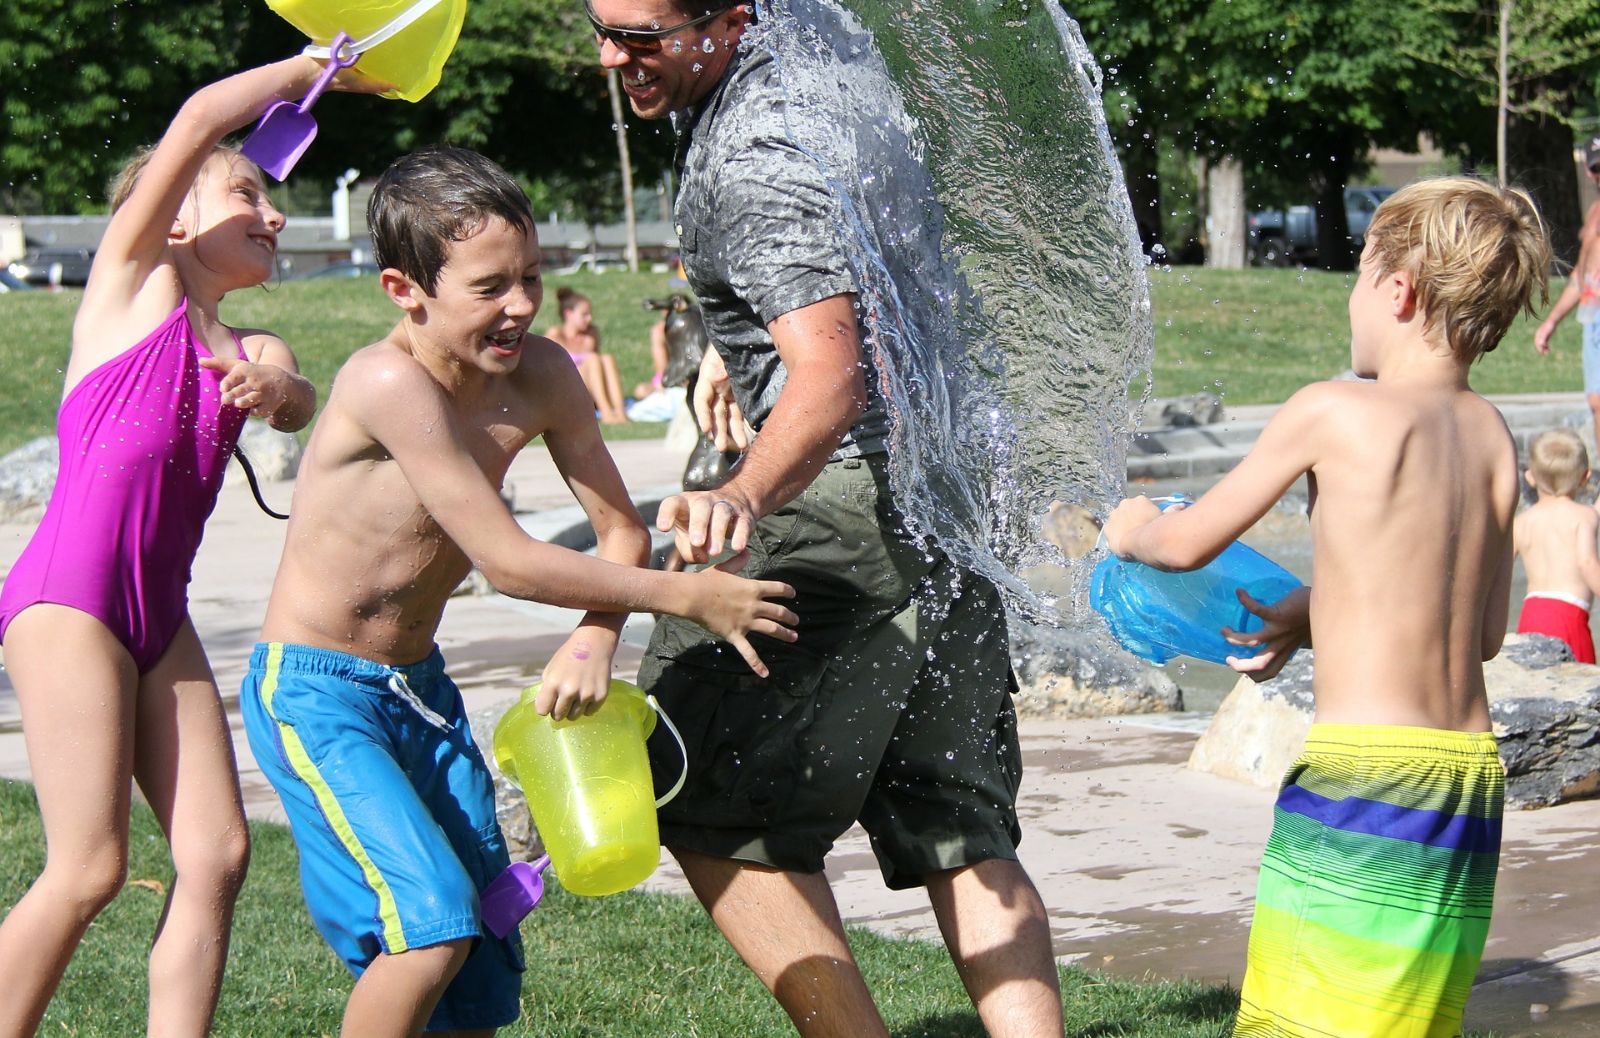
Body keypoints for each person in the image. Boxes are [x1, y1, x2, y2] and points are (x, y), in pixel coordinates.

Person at [238, 145, 798, 1037]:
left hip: (417, 692)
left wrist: (596, 635)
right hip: (316, 691)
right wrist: (685, 596)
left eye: (532, 277)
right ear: (403, 289)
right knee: (428, 926)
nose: (522, 306)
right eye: (490, 287)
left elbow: (620, 524)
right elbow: (506, 561)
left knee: (485, 938)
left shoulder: (542, 374)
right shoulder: (387, 382)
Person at [585, 3, 1064, 1036]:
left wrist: (740, 491)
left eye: (640, 34)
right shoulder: (830, 68)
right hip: (947, 495)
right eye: (599, 26)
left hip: (832, 501)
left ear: (730, 18)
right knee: (954, 812)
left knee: (693, 789)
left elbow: (831, 374)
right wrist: (733, 341)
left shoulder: (752, 159)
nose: (613, 55)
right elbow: (856, 276)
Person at [1103, 176, 1552, 1037]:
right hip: (1465, 783)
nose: (1350, 301)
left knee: (1305, 1018)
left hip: (1365, 779)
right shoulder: (1494, 437)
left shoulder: (1335, 410)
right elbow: (1484, 631)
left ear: (1400, 290)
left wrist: (1132, 531)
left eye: (1355, 276)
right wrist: (1319, 607)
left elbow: (1188, 542)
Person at [0, 57, 379, 1035]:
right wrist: (319, 69)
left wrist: (275, 395)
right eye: (247, 191)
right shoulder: (130, 287)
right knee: (89, 868)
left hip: (156, 617)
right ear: (174, 220)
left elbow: (294, 400)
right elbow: (202, 115)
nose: (275, 213)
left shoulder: (253, 347)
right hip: (70, 602)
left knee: (215, 852)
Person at [1512, 428, 1600, 663]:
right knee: (1581, 691)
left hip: (1530, 615)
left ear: (1530, 477)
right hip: (1568, 617)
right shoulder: (1584, 517)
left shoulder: (1521, 522)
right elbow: (1587, 562)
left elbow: (1496, 566)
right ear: (1585, 477)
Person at [1534, 202, 1600, 452]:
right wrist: (1551, 321)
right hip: (1592, 315)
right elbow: (1581, 276)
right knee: (1596, 403)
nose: (1597, 175)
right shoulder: (1595, 208)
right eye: (1593, 169)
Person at [545, 285, 629, 423]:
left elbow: (599, 372)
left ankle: (620, 413)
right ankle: (607, 413)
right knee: (593, 359)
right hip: (567, 390)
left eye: (590, 314)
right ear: (568, 314)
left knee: (607, 359)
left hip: (590, 392)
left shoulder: (591, 334)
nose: (589, 319)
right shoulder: (555, 334)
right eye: (584, 315)